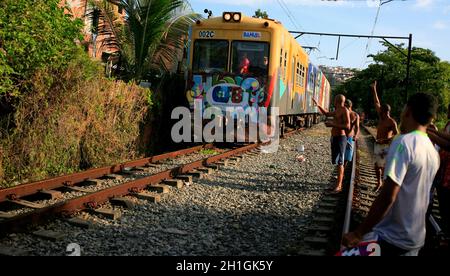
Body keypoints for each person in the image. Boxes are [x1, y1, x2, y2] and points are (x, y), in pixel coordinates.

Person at [342, 93, 440, 256]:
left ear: (408, 110)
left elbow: (388, 196)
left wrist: (358, 233)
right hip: (414, 240)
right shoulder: (432, 150)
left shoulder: (403, 142)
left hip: (390, 238)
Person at [313, 95, 350, 193]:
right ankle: (337, 184)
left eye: (334, 99)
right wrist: (318, 105)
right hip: (335, 138)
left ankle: (339, 186)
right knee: (337, 161)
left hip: (341, 138)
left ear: (337, 101)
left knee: (340, 162)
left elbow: (347, 126)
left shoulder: (344, 110)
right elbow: (327, 113)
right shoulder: (337, 110)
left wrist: (332, 124)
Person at [371, 81, 399, 191]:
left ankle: (384, 185)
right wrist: (374, 89)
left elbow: (397, 135)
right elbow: (376, 102)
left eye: (381, 110)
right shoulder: (382, 117)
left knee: (383, 166)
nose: (379, 111)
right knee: (377, 166)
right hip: (378, 144)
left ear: (385, 111)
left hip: (386, 146)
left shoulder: (391, 122)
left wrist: (385, 140)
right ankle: (379, 183)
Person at [427, 104, 450, 234]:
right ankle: (444, 231)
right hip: (443, 169)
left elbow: (447, 144)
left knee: (446, 200)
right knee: (442, 197)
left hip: (447, 172)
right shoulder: (448, 124)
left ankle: (445, 232)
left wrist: (431, 133)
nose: (447, 112)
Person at [344, 99, 360, 166]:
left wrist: (356, 135)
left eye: (347, 106)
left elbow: (357, 127)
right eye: (345, 106)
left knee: (347, 157)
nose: (346, 107)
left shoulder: (355, 115)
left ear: (350, 106)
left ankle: (342, 171)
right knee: (340, 156)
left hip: (350, 137)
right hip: (342, 136)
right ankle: (341, 172)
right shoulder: (343, 113)